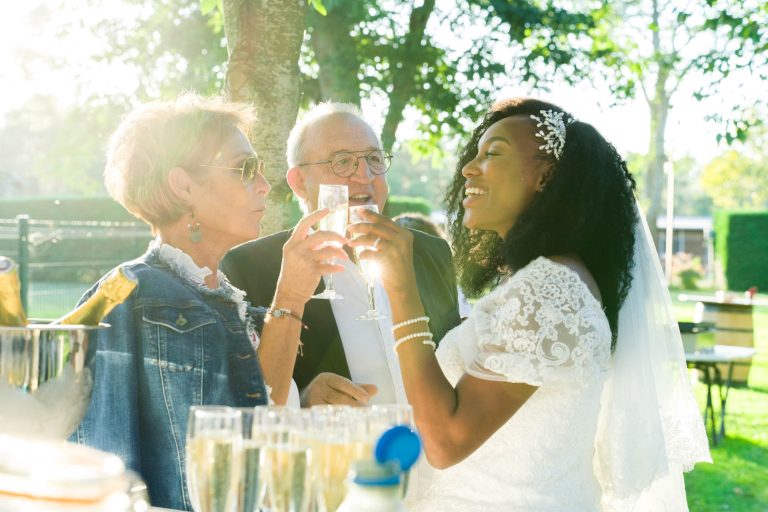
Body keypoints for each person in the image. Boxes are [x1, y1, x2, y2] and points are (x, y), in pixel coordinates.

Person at [348, 98, 711, 511]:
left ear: (545, 176)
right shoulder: (545, 282)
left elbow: (446, 442)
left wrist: (401, 288)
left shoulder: (550, 290)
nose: (469, 168)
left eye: (494, 153)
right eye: (476, 154)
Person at [71, 94, 346, 510]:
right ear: (183, 185)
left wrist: (303, 404)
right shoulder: (129, 296)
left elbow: (257, 432)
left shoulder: (237, 306)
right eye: (244, 168)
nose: (263, 184)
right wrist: (289, 294)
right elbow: (100, 474)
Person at [221, 103, 461, 407]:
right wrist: (303, 403)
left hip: (434, 453)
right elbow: (243, 402)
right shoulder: (248, 268)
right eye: (343, 162)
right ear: (299, 182)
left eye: (374, 159)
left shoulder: (431, 252)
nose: (365, 175)